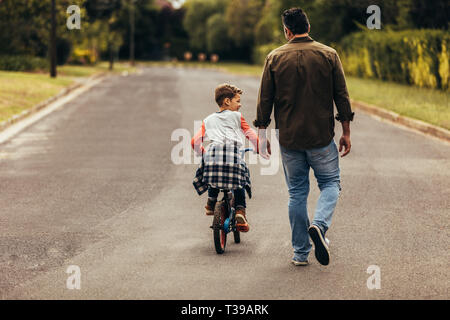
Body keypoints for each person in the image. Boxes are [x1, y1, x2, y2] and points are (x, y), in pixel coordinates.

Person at [254, 8, 354, 266]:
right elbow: (341, 95)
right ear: (308, 26)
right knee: (331, 184)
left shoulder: (274, 58)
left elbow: (264, 100)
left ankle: (300, 254)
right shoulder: (329, 54)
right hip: (321, 137)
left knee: (297, 193)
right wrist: (346, 131)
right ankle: (319, 225)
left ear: (287, 31)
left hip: (289, 139)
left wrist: (261, 135)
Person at [191, 83, 261, 232]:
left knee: (213, 176)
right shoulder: (237, 116)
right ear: (227, 101)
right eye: (237, 101)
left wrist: (203, 153)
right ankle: (240, 213)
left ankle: (211, 203)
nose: (240, 105)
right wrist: (259, 147)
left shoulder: (208, 120)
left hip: (213, 154)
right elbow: (251, 134)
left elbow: (195, 141)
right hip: (233, 155)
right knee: (240, 181)